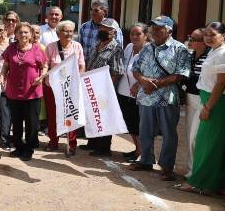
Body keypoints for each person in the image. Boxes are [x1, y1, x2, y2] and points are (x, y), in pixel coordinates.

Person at [130, 15, 191, 181]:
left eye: (159, 28)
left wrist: (155, 84)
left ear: (169, 30)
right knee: (145, 131)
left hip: (167, 98)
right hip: (146, 97)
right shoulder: (147, 48)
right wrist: (142, 81)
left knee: (168, 133)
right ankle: (146, 160)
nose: (155, 31)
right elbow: (136, 69)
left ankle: (166, 166)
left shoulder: (180, 49)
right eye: (153, 28)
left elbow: (181, 74)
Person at [178, 22, 225, 194]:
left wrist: (208, 107)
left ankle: (200, 182)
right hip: (207, 98)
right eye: (206, 34)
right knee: (203, 142)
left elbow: (222, 83)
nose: (208, 37)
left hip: (216, 101)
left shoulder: (224, 53)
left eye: (212, 34)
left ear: (223, 35)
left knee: (206, 143)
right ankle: (210, 183)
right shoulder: (214, 51)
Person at [1, 22, 47, 161]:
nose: (23, 35)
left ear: (31, 34)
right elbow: (6, 65)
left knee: (32, 124)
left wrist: (41, 77)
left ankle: (29, 149)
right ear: (16, 34)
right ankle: (19, 146)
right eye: (20, 32)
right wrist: (2, 76)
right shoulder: (11, 48)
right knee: (16, 121)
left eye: (26, 32)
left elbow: (44, 66)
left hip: (32, 92)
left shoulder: (36, 49)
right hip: (14, 92)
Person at [82, 18, 123, 157]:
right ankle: (92, 143)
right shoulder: (97, 44)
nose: (102, 30)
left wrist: (106, 89)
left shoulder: (116, 48)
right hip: (91, 87)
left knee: (104, 118)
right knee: (93, 115)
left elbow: (116, 72)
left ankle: (104, 148)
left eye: (106, 29)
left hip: (105, 90)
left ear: (114, 32)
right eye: (101, 27)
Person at [44, 20, 85, 155]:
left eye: (70, 31)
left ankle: (71, 144)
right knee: (53, 115)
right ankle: (53, 141)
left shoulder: (77, 46)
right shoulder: (50, 47)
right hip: (53, 88)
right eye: (65, 31)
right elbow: (46, 65)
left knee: (71, 115)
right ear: (58, 33)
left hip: (71, 87)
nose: (68, 33)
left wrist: (79, 81)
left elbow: (81, 65)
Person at [117, 23, 148, 162]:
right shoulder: (129, 47)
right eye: (132, 34)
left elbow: (152, 72)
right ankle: (137, 150)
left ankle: (142, 154)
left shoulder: (149, 51)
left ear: (146, 36)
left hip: (139, 94)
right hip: (124, 91)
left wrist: (139, 83)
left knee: (139, 125)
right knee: (130, 124)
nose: (134, 37)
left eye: (138, 34)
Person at [183, 27, 210, 177]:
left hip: (202, 99)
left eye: (194, 39)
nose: (190, 41)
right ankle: (191, 169)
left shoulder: (209, 57)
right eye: (190, 37)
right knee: (189, 135)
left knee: (196, 136)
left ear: (203, 42)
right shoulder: (189, 55)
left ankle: (197, 171)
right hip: (189, 98)